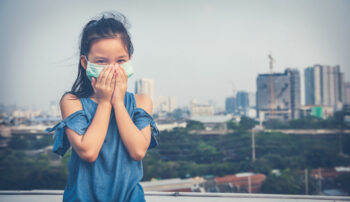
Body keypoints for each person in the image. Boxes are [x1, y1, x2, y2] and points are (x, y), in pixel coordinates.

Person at [46, 12, 159, 202]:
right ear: (85, 62)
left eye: (120, 61)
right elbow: (88, 152)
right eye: (101, 62)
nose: (112, 69)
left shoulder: (141, 101)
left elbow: (138, 151)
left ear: (129, 60)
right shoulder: (72, 102)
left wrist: (118, 103)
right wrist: (105, 102)